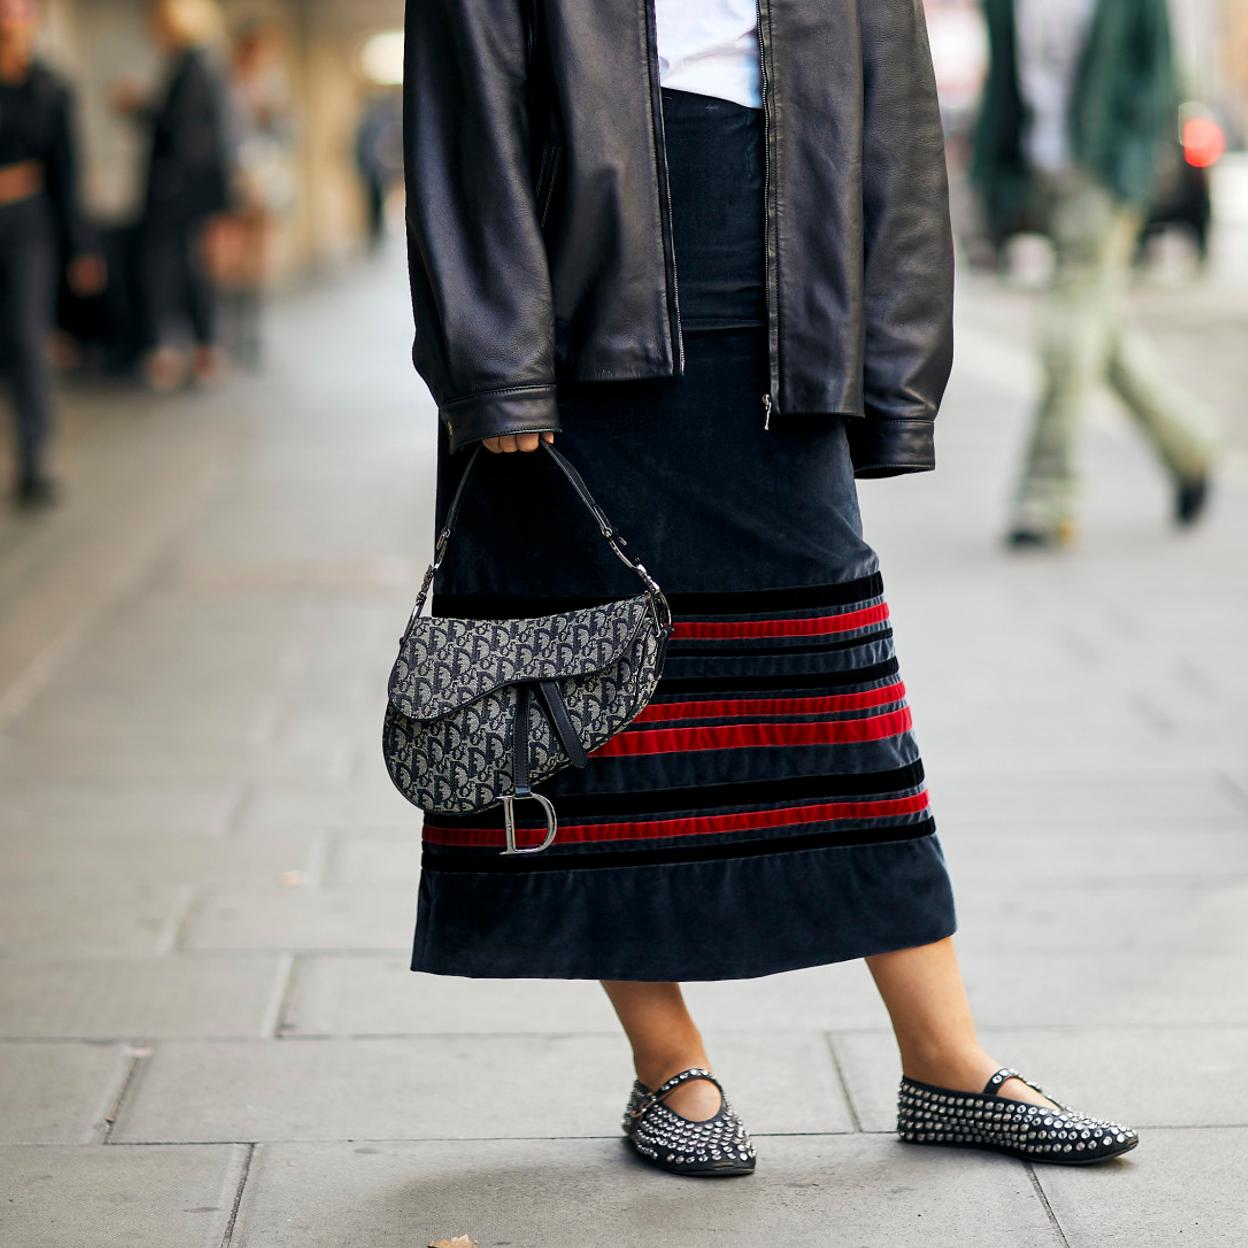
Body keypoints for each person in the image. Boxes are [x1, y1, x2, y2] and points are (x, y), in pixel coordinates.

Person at [402, 0, 1139, 1177]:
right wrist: (498, 372)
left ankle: (945, 1062)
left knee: (839, 696)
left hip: (785, 284)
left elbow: (891, 109)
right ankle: (670, 1070)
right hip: (577, 308)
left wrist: (895, 369)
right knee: (599, 704)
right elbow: (464, 113)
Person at [972, 0, 1219, 548]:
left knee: (1067, 335)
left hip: (1103, 180)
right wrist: (995, 180)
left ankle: (1046, 497)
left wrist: (1131, 167)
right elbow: (1004, 84)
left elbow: (1159, 77)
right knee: (1095, 329)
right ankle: (1191, 445)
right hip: (1044, 175)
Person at [0, 0, 104, 508]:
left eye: (17, 14)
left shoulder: (50, 88)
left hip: (27, 223)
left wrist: (81, 248)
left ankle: (34, 458)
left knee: (26, 335)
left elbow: (67, 170)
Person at [114, 0, 232, 391]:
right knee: (182, 266)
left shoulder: (193, 67)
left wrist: (140, 108)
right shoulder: (194, 65)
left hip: (177, 191)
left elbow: (183, 130)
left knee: (164, 266)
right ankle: (198, 348)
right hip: (184, 190)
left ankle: (176, 349)